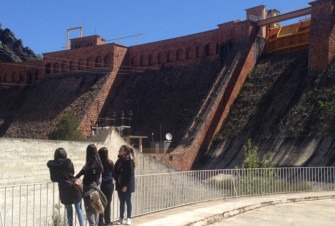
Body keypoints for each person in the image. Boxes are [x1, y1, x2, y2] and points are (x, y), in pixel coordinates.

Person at [47, 147, 85, 226]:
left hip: (63, 189)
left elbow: (53, 179)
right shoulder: (68, 162)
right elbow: (72, 172)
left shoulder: (52, 165)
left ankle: (70, 224)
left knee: (68, 210)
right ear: (64, 154)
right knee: (78, 209)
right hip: (73, 187)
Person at [76, 144, 104, 226]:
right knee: (96, 208)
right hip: (96, 189)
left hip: (88, 189)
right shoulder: (99, 164)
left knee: (89, 210)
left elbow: (78, 175)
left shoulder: (87, 166)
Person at [114, 145, 136, 225]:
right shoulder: (119, 161)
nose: (119, 150)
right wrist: (116, 179)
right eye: (119, 149)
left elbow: (130, 175)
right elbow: (115, 171)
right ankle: (121, 218)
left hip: (127, 186)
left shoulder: (129, 161)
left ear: (125, 152)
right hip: (120, 184)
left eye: (121, 150)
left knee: (128, 201)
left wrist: (126, 186)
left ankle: (129, 217)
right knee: (121, 202)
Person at [98, 147, 115, 226]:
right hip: (109, 185)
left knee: (100, 203)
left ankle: (100, 222)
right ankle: (107, 221)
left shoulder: (98, 163)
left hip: (101, 185)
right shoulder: (110, 162)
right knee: (108, 204)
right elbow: (114, 174)